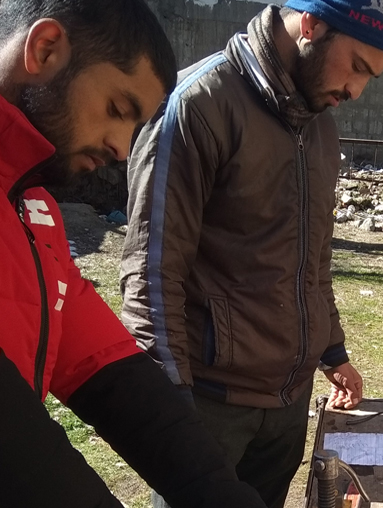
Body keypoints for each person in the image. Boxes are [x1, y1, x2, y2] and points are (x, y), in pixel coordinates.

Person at [120, 0, 383, 505]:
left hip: (287, 405)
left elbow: (313, 259)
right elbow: (151, 270)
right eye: (357, 66)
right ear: (311, 24)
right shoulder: (198, 106)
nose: (356, 90)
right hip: (209, 407)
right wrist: (173, 406)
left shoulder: (319, 125)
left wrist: (332, 351)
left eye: (371, 77)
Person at [0, 1, 269, 506]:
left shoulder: (32, 209)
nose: (122, 148)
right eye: (118, 110)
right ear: (45, 49)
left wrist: (218, 492)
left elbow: (104, 366)